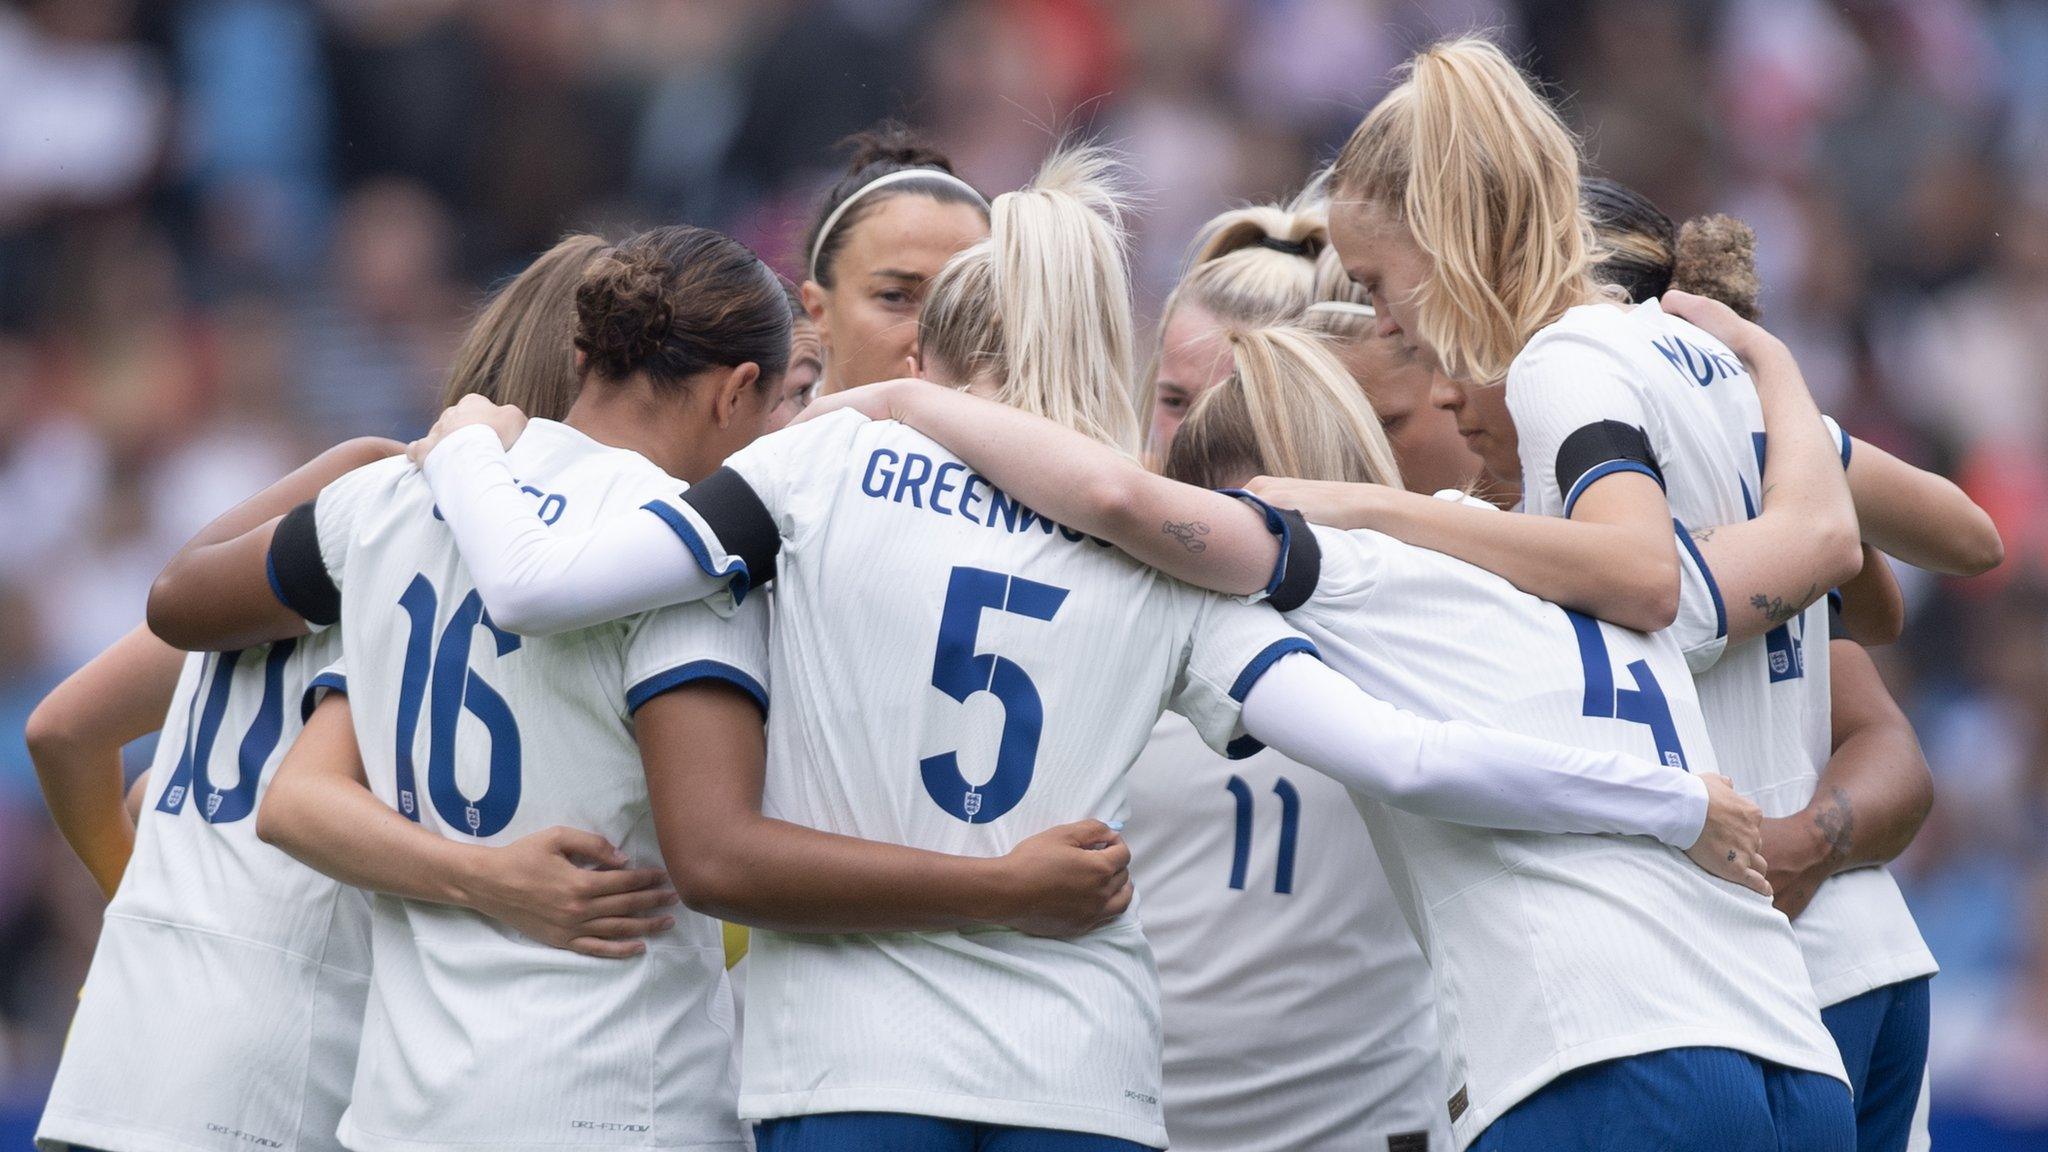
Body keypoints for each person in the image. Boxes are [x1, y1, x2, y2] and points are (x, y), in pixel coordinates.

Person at [403, 146, 1763, 1152]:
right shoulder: (1164, 566)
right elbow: (1405, 753)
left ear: (930, 353)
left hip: (850, 1077)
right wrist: (1670, 799)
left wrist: (466, 441)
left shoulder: (817, 472)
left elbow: (536, 583)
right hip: (1085, 1088)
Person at [794, 322, 1859, 1152]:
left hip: (1598, 1057)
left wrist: (896, 400)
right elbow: (1823, 535)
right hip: (1791, 1053)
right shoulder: (1640, 578)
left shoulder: (1352, 574)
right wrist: (1767, 360)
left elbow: (1115, 498)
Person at [30, 234, 679, 1152]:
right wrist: (493, 881)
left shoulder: (325, 530)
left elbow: (66, 731)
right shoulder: (420, 529)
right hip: (270, 1077)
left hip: (118, 1052)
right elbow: (298, 803)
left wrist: (144, 902)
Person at [1110, 197, 1450, 1150]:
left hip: (1365, 1127)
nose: (1193, 443)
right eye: (1175, 401)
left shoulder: (1414, 592)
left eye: (1236, 410)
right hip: (1133, 1124)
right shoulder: (1087, 592)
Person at [798, 122, 990, 396]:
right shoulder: (759, 438)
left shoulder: (1054, 436)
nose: (930, 344)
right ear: (819, 311)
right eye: (895, 297)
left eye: (966, 308)